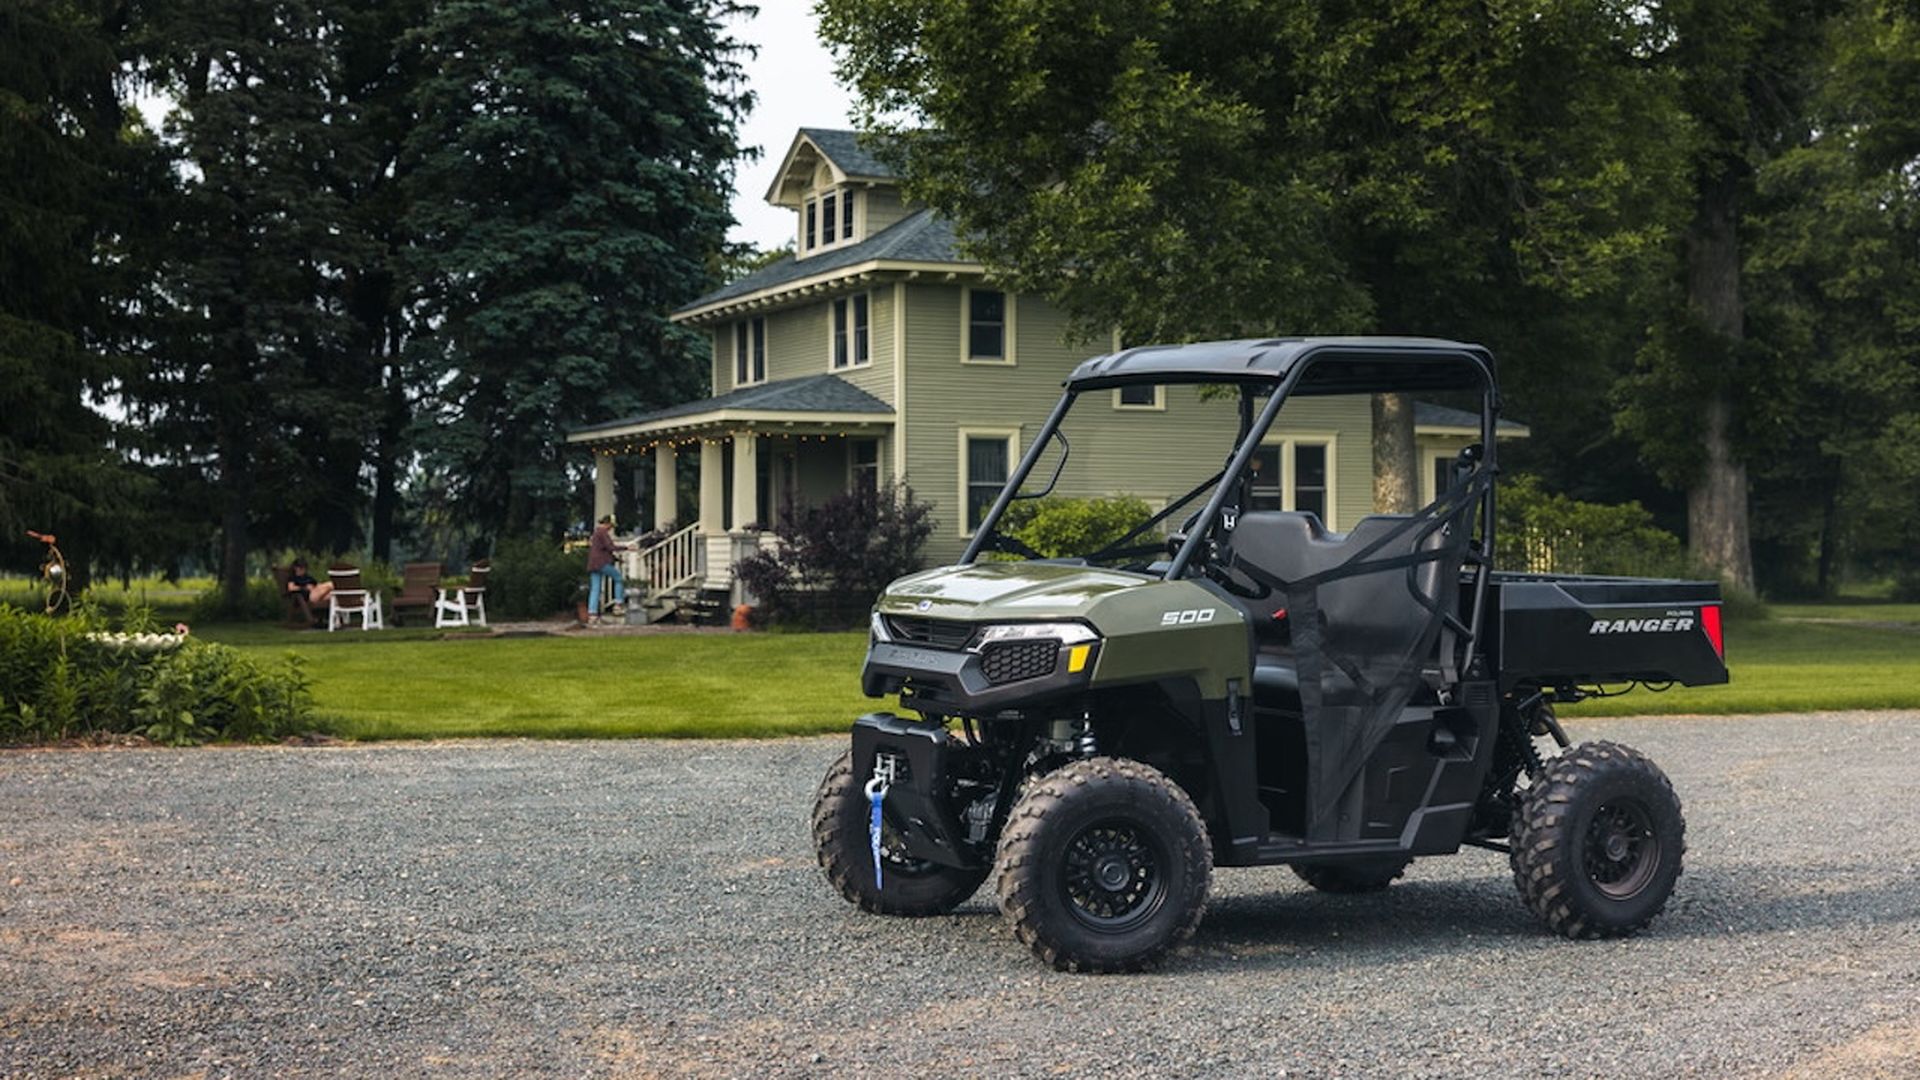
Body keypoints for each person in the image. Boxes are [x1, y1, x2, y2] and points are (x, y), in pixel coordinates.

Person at [586, 516, 630, 625]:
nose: (611, 528)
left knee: (595, 588)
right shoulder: (602, 532)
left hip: (593, 563)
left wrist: (616, 559)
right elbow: (610, 547)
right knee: (618, 578)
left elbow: (603, 550)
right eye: (611, 526)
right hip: (602, 563)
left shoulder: (596, 533)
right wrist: (627, 548)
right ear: (608, 523)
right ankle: (618, 604)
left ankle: (592, 614)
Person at [286, 560, 335, 625]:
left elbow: (317, 585)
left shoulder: (308, 577)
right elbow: (291, 588)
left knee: (334, 594)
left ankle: (336, 620)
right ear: (295, 568)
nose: (303, 570)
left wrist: (319, 587)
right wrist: (305, 587)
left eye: (304, 568)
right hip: (310, 596)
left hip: (317, 594)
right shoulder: (293, 578)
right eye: (300, 568)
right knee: (331, 584)